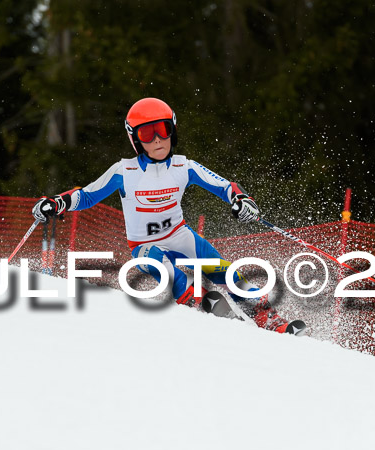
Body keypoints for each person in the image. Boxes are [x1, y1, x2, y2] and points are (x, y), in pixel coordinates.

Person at [33, 97, 304, 334]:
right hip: (144, 247)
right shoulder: (123, 172)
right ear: (135, 138)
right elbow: (88, 195)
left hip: (180, 236)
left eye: (162, 130)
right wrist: (56, 203)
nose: (157, 139)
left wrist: (243, 200)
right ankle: (201, 305)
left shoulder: (183, 166)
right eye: (147, 133)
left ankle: (268, 318)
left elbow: (224, 187)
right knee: (171, 272)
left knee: (226, 271)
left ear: (172, 130)